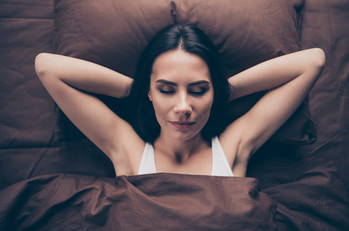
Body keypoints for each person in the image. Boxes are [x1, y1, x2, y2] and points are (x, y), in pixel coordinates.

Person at [35, 24, 325, 177]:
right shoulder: (128, 150)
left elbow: (312, 62)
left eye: (199, 90)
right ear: (150, 92)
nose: (184, 106)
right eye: (166, 89)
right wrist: (138, 88)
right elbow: (47, 67)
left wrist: (224, 90)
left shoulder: (232, 149)